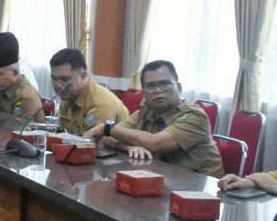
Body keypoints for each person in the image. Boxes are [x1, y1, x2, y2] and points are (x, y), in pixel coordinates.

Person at [87, 59, 224, 177]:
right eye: (151, 86)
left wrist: (107, 128)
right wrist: (128, 147)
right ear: (143, 93)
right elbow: (107, 139)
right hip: (161, 180)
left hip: (199, 190)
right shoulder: (146, 110)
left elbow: (154, 143)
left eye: (165, 84)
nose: (158, 90)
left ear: (179, 87)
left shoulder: (194, 116)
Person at [49, 47, 129, 136]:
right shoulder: (68, 96)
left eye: (64, 79)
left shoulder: (100, 104)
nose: (58, 85)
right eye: (54, 79)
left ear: (83, 77)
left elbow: (91, 145)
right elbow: (61, 135)